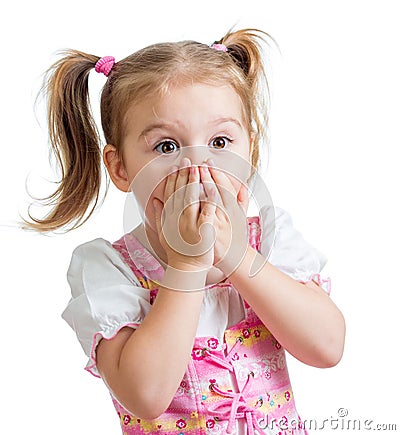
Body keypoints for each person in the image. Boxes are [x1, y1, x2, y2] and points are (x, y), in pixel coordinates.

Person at [27, 28, 345, 435]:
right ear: (120, 167)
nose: (198, 169)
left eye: (219, 140)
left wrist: (236, 256)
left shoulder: (269, 238)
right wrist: (188, 264)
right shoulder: (108, 268)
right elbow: (144, 395)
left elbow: (327, 347)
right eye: (166, 147)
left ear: (250, 149)